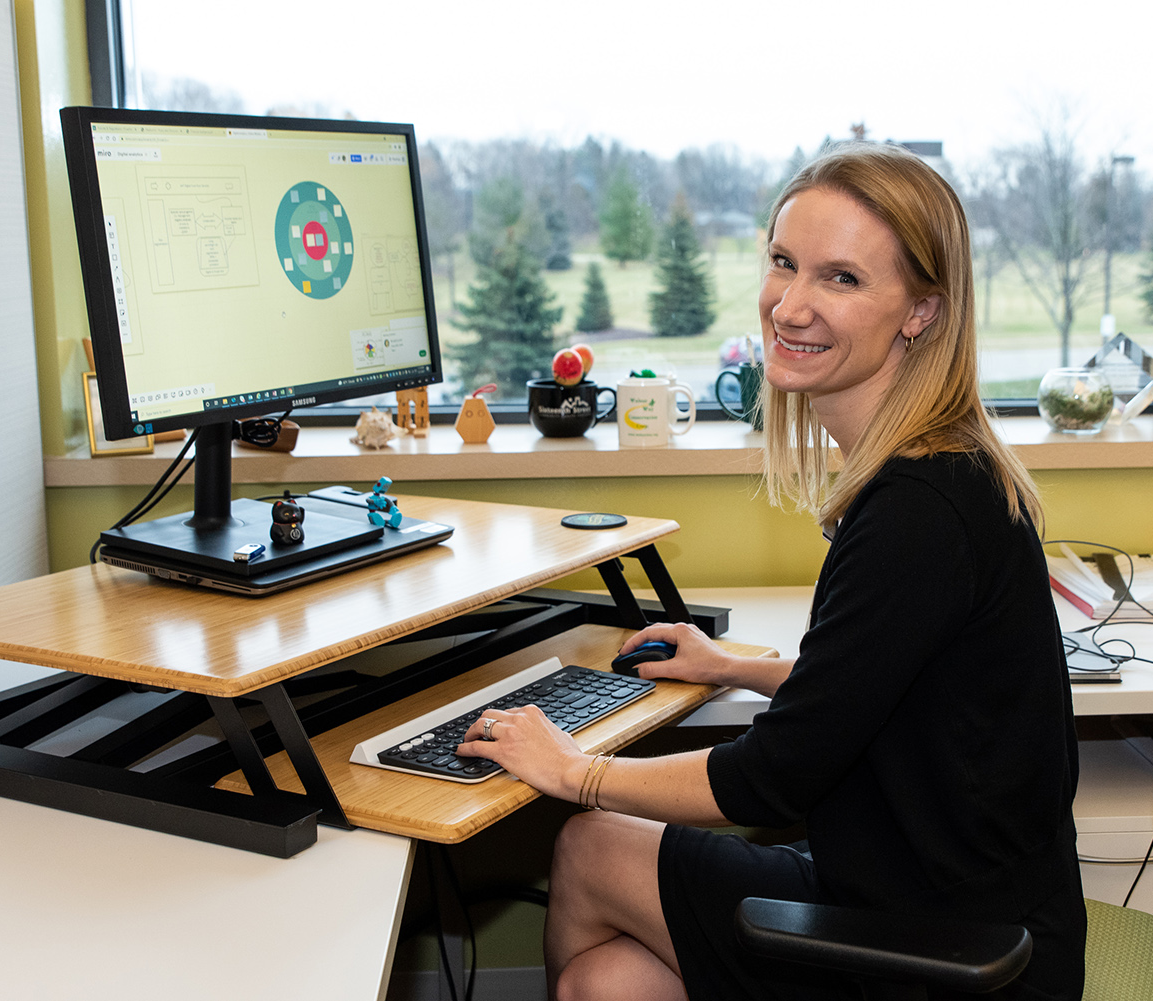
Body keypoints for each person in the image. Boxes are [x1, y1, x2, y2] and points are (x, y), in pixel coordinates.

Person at [458, 141, 1085, 1001]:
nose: (789, 305)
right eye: (785, 263)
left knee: (590, 840)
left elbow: (770, 777)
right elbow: (876, 686)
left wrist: (576, 770)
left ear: (921, 312)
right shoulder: (942, 467)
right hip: (940, 902)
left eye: (841, 278)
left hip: (957, 953)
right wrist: (736, 667)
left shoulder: (917, 513)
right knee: (606, 983)